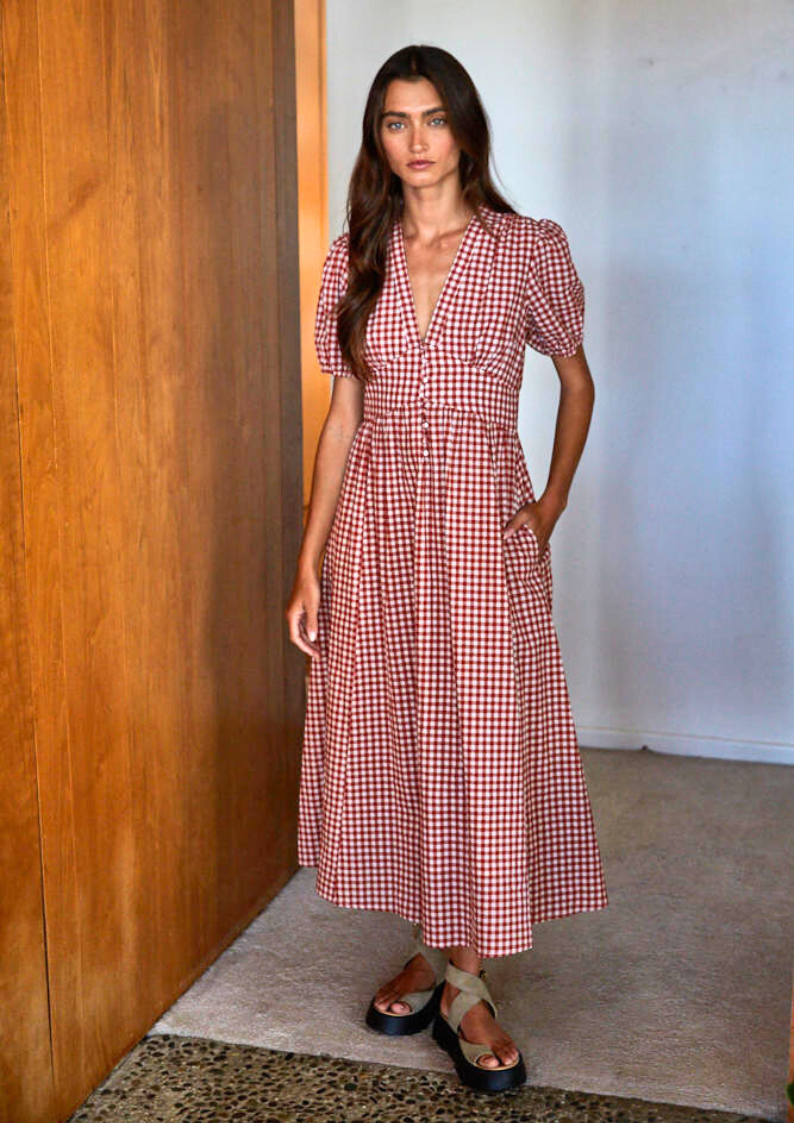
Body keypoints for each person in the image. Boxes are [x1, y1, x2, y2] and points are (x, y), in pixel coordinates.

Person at [285, 44, 609, 1095]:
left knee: (478, 727)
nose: (414, 142)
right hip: (375, 527)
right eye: (393, 121)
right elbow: (345, 417)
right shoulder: (353, 255)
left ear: (464, 128)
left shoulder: (527, 249)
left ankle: (466, 976)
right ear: (377, 137)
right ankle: (433, 936)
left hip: (477, 524)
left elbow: (572, 378)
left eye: (432, 119)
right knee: (398, 725)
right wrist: (309, 563)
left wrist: (549, 502)